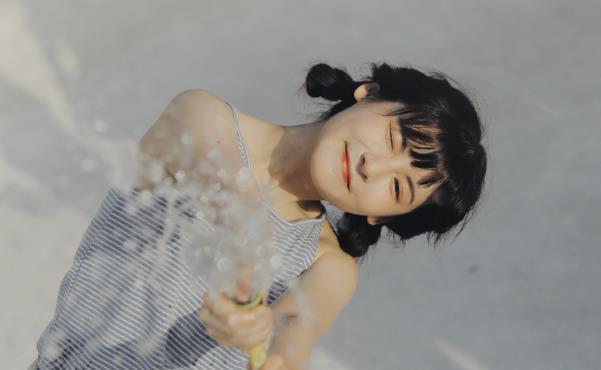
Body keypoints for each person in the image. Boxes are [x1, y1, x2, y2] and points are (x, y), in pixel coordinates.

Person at [32, 62, 487, 369]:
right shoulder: (203, 116)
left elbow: (296, 331)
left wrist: (263, 333)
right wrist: (244, 262)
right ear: (369, 94)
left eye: (397, 188)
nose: (374, 167)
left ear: (380, 218)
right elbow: (222, 184)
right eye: (392, 139)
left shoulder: (328, 264)